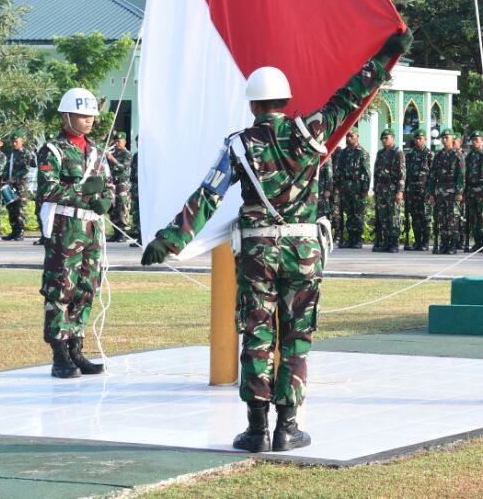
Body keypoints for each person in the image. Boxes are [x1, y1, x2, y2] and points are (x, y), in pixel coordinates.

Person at [142, 30, 410, 451]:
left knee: (258, 334)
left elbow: (207, 195)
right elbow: (350, 95)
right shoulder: (313, 130)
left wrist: (170, 239)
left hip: (258, 254)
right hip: (304, 252)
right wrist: (385, 56)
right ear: (286, 102)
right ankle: (288, 427)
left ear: (252, 104)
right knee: (297, 336)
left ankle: (255, 429)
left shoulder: (240, 145)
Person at [38, 87, 117, 379]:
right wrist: (83, 190)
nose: (89, 120)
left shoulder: (95, 151)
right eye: (82, 115)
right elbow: (47, 189)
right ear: (66, 116)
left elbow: (107, 185)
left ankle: (76, 347)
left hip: (92, 227)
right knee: (61, 288)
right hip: (65, 228)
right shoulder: (53, 149)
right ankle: (59, 353)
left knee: (86, 288)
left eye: (92, 115)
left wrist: (107, 200)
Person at [428, 128, 465, 253]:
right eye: (443, 137)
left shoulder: (458, 155)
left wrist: (459, 192)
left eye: (447, 137)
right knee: (441, 219)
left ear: (452, 138)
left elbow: (461, 175)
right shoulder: (438, 155)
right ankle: (444, 243)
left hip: (452, 190)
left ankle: (452, 244)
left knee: (452, 219)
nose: (444, 140)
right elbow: (432, 175)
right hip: (440, 190)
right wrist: (431, 193)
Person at [372, 130, 405, 253]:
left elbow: (402, 173)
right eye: (382, 138)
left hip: (393, 189)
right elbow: (376, 173)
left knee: (394, 216)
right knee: (383, 217)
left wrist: (400, 191)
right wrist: (375, 190)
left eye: (386, 138)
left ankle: (394, 243)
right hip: (381, 189)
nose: (384, 140)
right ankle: (385, 242)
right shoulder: (380, 153)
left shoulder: (397, 152)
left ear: (393, 138)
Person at [336, 131, 370, 248]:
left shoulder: (362, 153)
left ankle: (357, 239)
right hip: (346, 186)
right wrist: (338, 186)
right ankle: (350, 238)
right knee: (349, 213)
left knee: (358, 213)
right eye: (347, 136)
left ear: (357, 136)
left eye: (352, 136)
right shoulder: (343, 153)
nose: (349, 138)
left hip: (357, 186)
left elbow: (366, 173)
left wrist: (365, 190)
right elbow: (339, 170)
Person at [464, 131, 483, 253]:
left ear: (482, 140)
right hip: (471, 190)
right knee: (473, 218)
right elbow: (465, 174)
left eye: (477, 139)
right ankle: (477, 242)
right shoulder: (469, 156)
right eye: (473, 139)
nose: (475, 141)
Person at [2, 132, 36, 241]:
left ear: (22, 140)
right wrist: (4, 179)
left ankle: (20, 232)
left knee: (19, 209)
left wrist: (14, 179)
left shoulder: (25, 153)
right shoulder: (10, 153)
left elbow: (26, 169)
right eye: (13, 141)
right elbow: (7, 168)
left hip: (20, 185)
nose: (14, 143)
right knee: (11, 208)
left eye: (16, 141)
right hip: (9, 185)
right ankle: (14, 231)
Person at [403, 129, 433, 250]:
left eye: (420, 138)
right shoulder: (409, 154)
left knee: (425, 217)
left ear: (425, 139)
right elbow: (405, 173)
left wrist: (430, 191)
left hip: (424, 190)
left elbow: (433, 175)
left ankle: (425, 242)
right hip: (412, 190)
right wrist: (404, 190)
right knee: (414, 216)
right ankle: (417, 241)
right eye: (416, 138)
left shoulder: (429, 154)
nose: (418, 140)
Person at [105, 131, 133, 243]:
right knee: (113, 207)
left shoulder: (127, 154)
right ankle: (116, 232)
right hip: (112, 183)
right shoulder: (112, 153)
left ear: (124, 141)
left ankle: (123, 233)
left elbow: (123, 167)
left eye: (119, 141)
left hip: (122, 184)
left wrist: (112, 159)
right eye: (116, 141)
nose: (117, 143)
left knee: (122, 206)